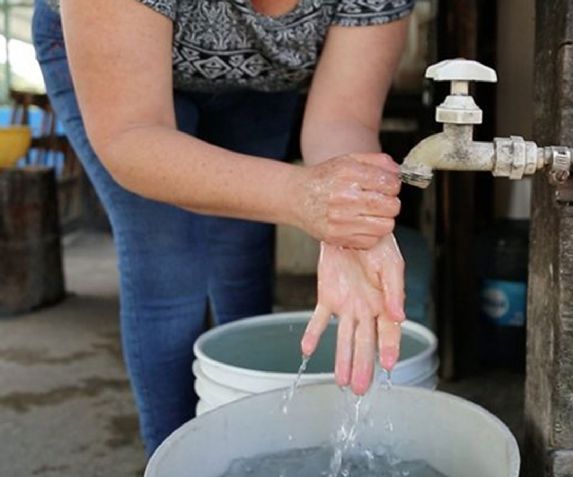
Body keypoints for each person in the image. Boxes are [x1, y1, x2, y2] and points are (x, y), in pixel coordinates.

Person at [33, 0, 412, 455]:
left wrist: (355, 216)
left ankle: (249, 446)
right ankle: (175, 457)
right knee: (168, 259)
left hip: (259, 79)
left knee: (243, 248)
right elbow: (132, 133)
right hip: (119, 66)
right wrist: (301, 196)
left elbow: (342, 119)